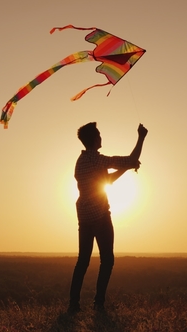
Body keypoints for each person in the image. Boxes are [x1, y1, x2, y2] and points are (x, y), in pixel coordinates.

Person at [67, 122, 148, 314]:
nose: (101, 137)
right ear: (95, 139)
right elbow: (130, 158)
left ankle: (73, 304)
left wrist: (127, 168)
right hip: (100, 217)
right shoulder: (96, 159)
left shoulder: (81, 161)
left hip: (84, 217)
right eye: (99, 135)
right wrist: (141, 137)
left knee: (83, 261)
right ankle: (98, 303)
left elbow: (107, 181)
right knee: (107, 260)